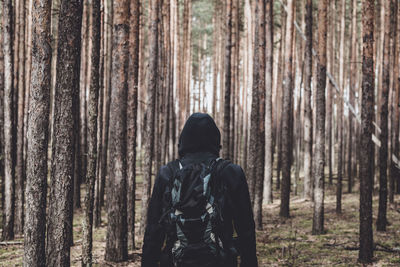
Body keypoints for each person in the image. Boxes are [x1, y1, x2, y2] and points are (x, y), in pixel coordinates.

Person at [141, 113, 258, 267]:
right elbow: (246, 230)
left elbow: (153, 232)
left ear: (183, 140)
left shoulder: (167, 173)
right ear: (215, 140)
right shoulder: (230, 172)